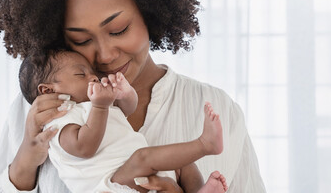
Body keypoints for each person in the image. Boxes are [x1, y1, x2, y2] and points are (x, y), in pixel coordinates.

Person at [0, 0, 266, 192]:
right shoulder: (42, 112)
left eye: (118, 30)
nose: (105, 55)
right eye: (81, 40)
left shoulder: (215, 107)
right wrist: (23, 165)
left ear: (150, 9)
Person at [18, 49, 228, 193]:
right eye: (80, 74)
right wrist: (100, 106)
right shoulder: (58, 121)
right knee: (143, 156)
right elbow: (84, 147)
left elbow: (126, 110)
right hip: (111, 183)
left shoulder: (93, 104)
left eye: (91, 72)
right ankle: (205, 144)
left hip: (134, 171)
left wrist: (125, 94)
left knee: (184, 162)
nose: (93, 77)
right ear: (48, 90)